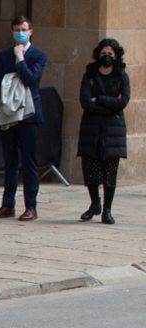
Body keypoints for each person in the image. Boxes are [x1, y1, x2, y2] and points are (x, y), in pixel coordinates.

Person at [0, 15, 47, 222]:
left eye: (23, 28)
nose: (19, 32)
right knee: (10, 160)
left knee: (29, 161)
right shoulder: (4, 55)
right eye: (16, 29)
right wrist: (11, 77)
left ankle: (31, 206)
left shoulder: (38, 55)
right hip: (8, 112)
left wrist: (20, 59)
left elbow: (32, 79)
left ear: (31, 31)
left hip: (29, 114)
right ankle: (8, 204)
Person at [77, 38, 130, 225]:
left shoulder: (121, 75)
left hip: (113, 130)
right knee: (91, 169)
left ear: (116, 56)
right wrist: (109, 104)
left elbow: (122, 102)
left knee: (110, 172)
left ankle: (107, 209)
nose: (106, 57)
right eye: (103, 53)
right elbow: (85, 101)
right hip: (91, 128)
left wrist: (98, 99)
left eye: (110, 54)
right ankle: (95, 203)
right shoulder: (90, 74)